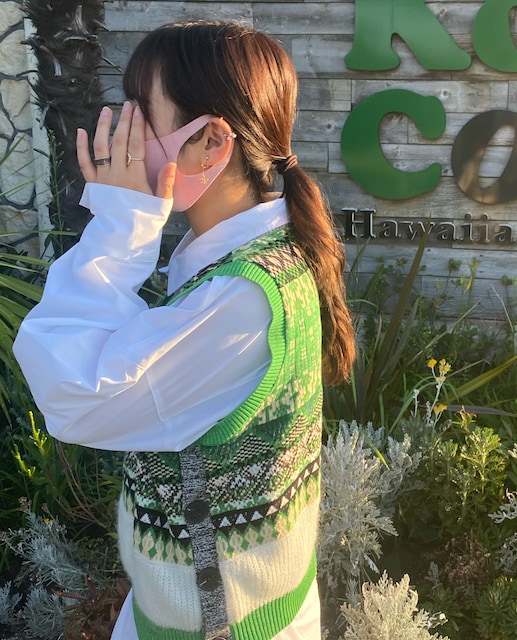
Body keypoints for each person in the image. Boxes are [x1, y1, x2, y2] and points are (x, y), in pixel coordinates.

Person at [13, 20, 355, 640]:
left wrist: (120, 228)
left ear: (211, 143)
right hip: (226, 608)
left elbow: (74, 393)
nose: (123, 133)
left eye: (141, 116)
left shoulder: (240, 298)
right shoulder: (249, 257)